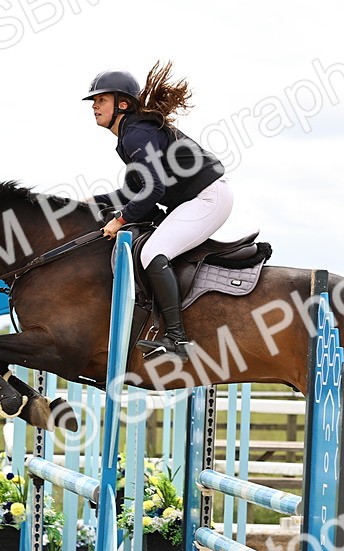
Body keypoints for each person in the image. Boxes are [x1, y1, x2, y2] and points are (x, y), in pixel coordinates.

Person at [84, 61, 231, 361]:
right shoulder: (131, 134)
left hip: (207, 198)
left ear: (122, 104)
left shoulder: (136, 134)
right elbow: (132, 191)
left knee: (152, 252)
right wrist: (90, 203)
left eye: (101, 99)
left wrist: (119, 220)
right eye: (94, 101)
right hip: (197, 199)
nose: (95, 106)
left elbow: (153, 191)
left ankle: (177, 338)